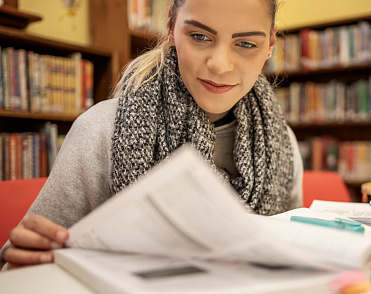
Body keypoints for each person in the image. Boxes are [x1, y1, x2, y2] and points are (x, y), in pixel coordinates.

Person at [0, 0, 303, 270]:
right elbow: (20, 262)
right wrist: (27, 256)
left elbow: (293, 250)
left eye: (246, 44)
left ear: (270, 45)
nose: (219, 65)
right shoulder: (101, 130)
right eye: (199, 36)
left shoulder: (281, 141)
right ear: (171, 27)